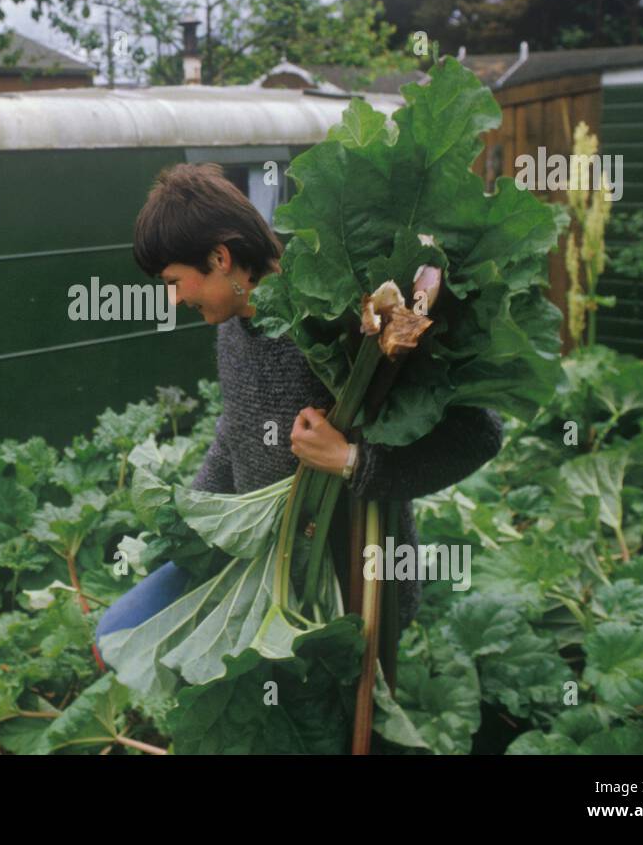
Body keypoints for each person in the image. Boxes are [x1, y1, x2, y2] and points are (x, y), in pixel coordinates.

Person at [94, 162, 504, 674]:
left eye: (176, 282)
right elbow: (235, 430)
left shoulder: (336, 321)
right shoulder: (233, 325)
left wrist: (352, 460)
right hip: (258, 567)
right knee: (113, 634)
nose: (174, 299)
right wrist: (195, 525)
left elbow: (480, 434)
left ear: (220, 258)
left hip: (344, 593)